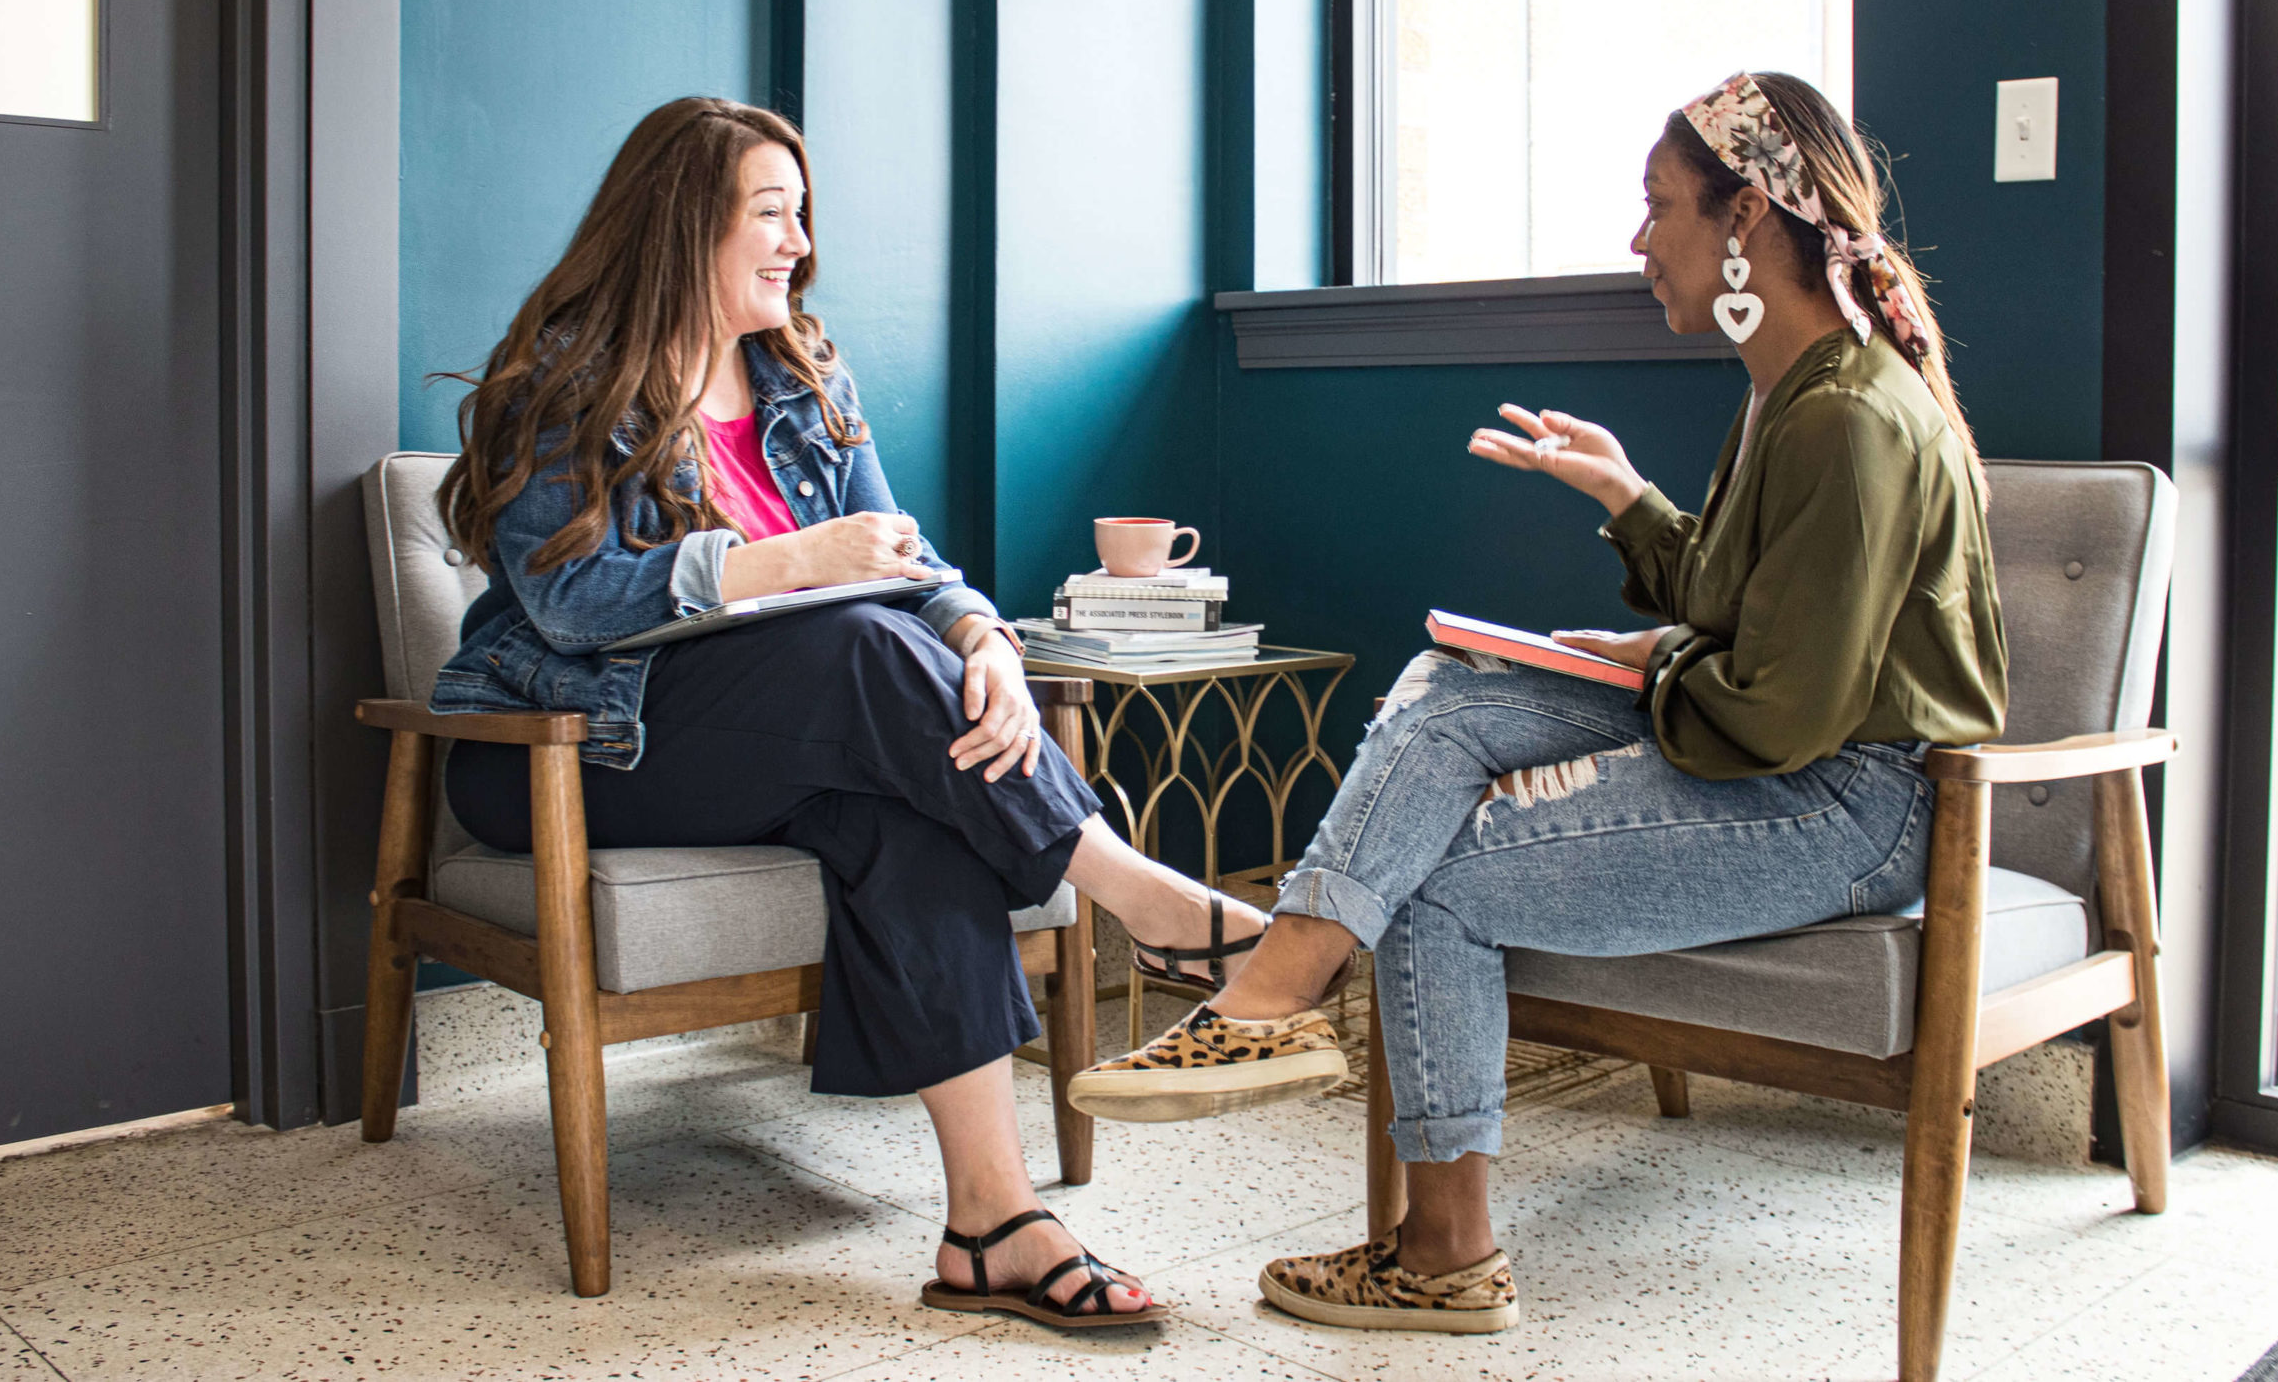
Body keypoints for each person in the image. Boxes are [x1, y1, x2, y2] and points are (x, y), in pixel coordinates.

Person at [1066, 72, 2009, 1335]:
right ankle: (1272, 1001)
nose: (1638, 240)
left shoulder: (1845, 415)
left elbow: (1779, 711)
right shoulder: (1790, 391)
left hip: (1847, 806)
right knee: (1454, 681)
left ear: (1745, 223)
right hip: (1789, 755)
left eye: (1658, 205)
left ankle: (1412, 1207)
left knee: (1441, 875)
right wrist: (1627, 498)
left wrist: (1640, 665)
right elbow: (1746, 615)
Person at [428, 96, 1269, 1331]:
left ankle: (992, 1224)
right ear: (678, 228)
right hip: (571, 747)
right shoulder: (562, 381)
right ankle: (1143, 897)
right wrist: (784, 563)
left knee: (907, 801)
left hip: (788, 732)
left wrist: (981, 638)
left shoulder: (802, 377)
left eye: (800, 213)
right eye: (769, 214)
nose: (797, 243)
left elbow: (913, 566)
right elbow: (566, 603)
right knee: (864, 647)